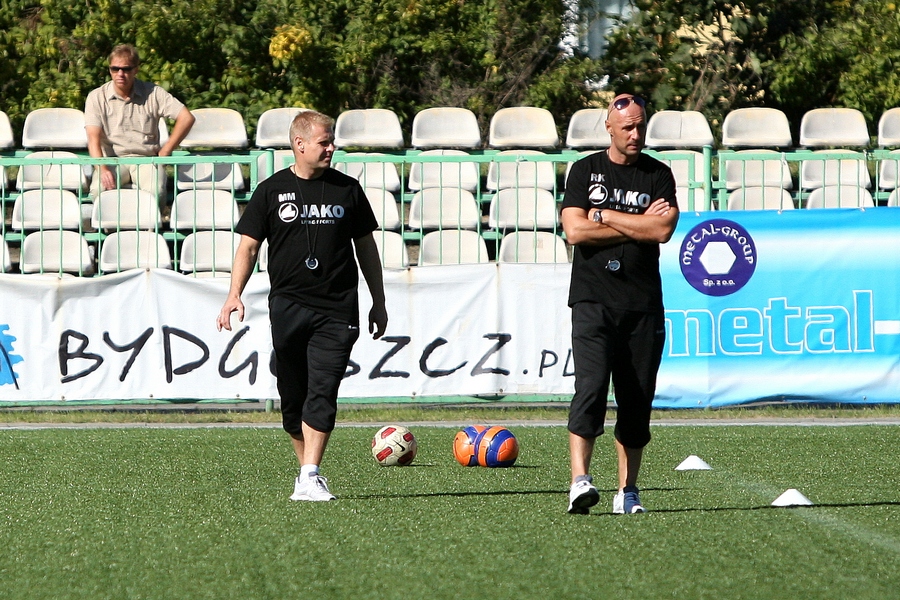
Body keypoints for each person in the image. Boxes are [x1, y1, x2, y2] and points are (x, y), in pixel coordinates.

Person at [216, 110, 388, 502]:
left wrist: (378, 301)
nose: (331, 148)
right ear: (300, 144)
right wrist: (234, 293)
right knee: (293, 402)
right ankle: (305, 474)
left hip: (337, 308)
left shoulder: (348, 190)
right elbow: (248, 247)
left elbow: (366, 248)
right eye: (324, 142)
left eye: (332, 141)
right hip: (288, 306)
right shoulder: (271, 190)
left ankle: (311, 473)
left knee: (323, 390)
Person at [560, 93, 679, 515]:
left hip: (642, 304)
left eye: (641, 125)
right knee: (590, 390)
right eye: (628, 126)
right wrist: (639, 223)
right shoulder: (584, 170)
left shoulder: (658, 174)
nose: (635, 133)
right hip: (592, 300)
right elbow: (575, 232)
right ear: (609, 127)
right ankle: (580, 481)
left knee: (636, 400)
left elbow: (662, 230)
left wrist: (605, 215)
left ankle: (627, 491)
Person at [85, 44, 195, 207]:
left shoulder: (154, 92)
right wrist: (103, 169)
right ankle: (109, 223)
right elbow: (92, 138)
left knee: (156, 191)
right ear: (109, 70)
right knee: (98, 190)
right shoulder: (96, 96)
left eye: (126, 69)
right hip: (112, 159)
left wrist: (166, 150)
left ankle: (152, 223)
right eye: (115, 69)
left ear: (136, 69)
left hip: (146, 159)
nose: (120, 74)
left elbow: (186, 118)